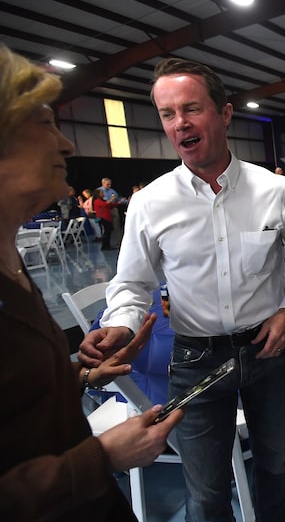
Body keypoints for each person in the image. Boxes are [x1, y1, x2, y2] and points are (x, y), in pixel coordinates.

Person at [78, 57, 285, 522]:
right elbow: (132, 283)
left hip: (269, 353)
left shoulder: (274, 191)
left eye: (191, 108)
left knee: (275, 467)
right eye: (167, 114)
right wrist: (118, 326)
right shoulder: (150, 203)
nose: (179, 123)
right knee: (207, 491)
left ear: (225, 113)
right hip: (196, 361)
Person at [0, 44, 182, 522]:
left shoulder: (12, 264)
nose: (66, 144)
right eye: (45, 124)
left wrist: (81, 374)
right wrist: (98, 459)